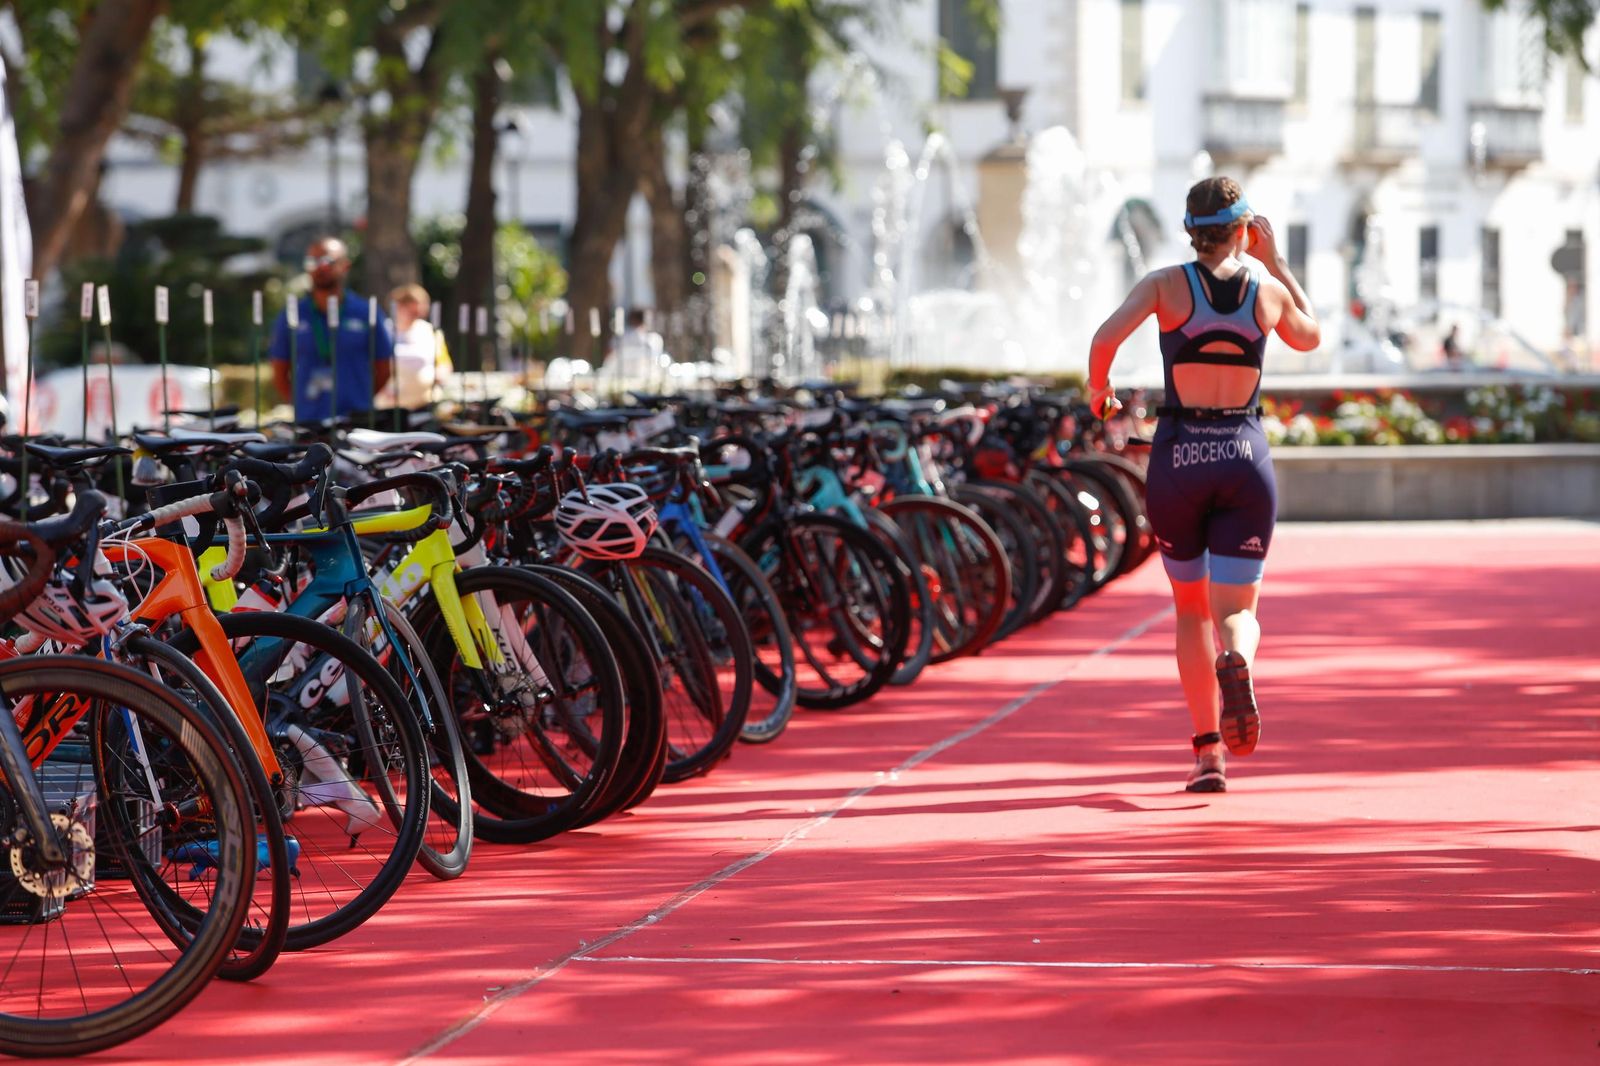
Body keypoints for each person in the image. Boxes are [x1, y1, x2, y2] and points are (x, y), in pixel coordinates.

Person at [1087, 177, 1320, 793]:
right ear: (1244, 230)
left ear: (1191, 231)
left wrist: (1098, 392)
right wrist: (1278, 264)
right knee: (1237, 609)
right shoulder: (1265, 291)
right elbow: (1310, 335)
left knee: (1190, 611)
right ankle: (1237, 656)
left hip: (1180, 456)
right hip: (1243, 454)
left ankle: (1207, 753)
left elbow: (1104, 340)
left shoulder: (1166, 284)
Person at [270, 236, 393, 422]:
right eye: (312, 261)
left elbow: (384, 369)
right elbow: (279, 372)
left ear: (345, 265)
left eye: (327, 260)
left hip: (357, 420)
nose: (320, 267)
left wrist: (360, 398)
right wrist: (302, 404)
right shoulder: (292, 314)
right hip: (309, 423)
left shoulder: (367, 312)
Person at [388, 283, 453, 407]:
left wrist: (439, 375)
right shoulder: (383, 332)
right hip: (391, 405)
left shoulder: (431, 332)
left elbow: (444, 364)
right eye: (411, 310)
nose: (416, 315)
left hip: (425, 403)